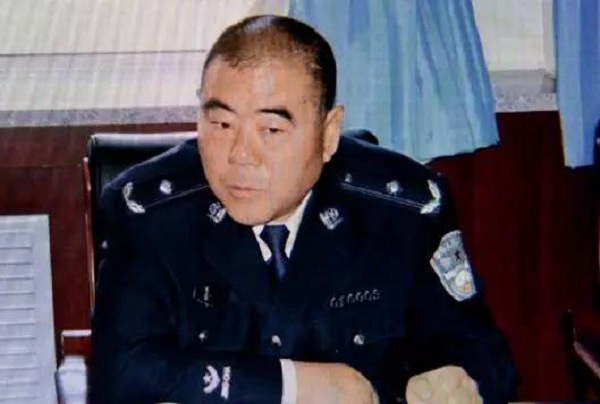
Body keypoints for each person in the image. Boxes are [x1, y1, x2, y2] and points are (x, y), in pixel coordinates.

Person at [90, 15, 516, 404]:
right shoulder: (149, 216)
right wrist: (293, 385)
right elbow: (120, 375)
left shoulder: (401, 211)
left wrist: (449, 384)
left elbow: (486, 360)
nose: (239, 155)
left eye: (271, 129)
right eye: (221, 124)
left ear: (328, 134)